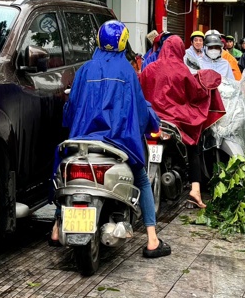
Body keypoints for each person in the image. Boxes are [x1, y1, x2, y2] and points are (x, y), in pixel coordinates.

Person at [49, 20, 171, 258]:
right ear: (123, 43)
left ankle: (55, 228)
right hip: (118, 141)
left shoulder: (85, 69)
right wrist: (152, 125)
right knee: (143, 180)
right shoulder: (127, 71)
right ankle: (153, 240)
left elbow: (71, 109)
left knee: (63, 178)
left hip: (82, 141)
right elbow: (139, 109)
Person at [141, 35, 221, 209]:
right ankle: (196, 190)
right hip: (176, 120)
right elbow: (195, 94)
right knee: (194, 145)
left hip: (152, 120)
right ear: (179, 50)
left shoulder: (149, 69)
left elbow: (141, 94)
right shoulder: (182, 70)